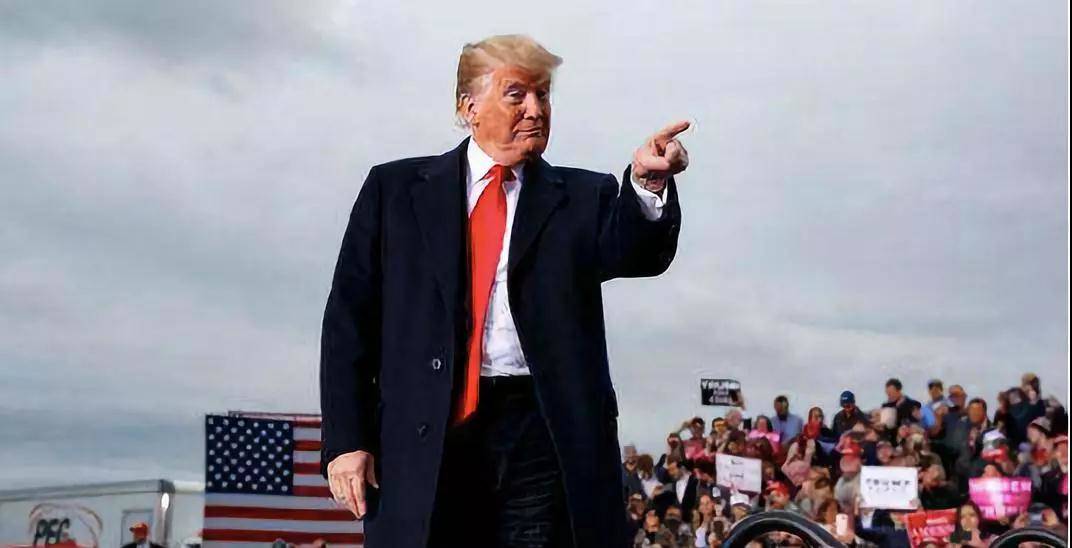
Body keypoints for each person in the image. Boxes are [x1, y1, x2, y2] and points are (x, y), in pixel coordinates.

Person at [319, 34, 689, 548]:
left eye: (543, 95)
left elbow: (637, 253)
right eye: (517, 94)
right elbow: (349, 320)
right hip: (427, 432)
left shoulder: (584, 196)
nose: (535, 110)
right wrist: (346, 439)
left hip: (542, 433)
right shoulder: (394, 191)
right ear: (468, 107)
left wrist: (646, 185)